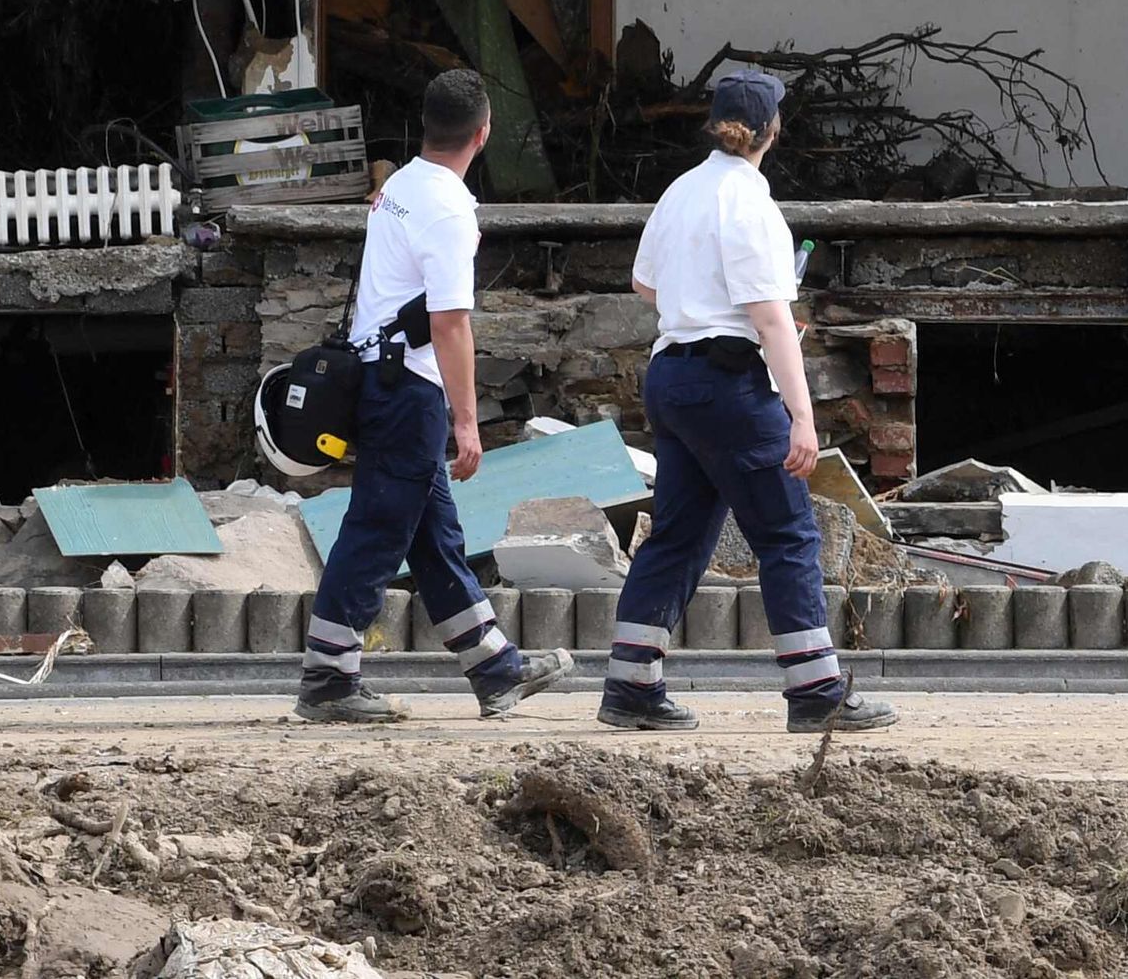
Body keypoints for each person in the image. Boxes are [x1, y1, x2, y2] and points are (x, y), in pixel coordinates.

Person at [600, 63, 898, 737]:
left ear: (717, 123)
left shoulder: (681, 190)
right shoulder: (754, 204)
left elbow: (644, 285)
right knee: (788, 533)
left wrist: (698, 294)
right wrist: (803, 416)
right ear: (773, 129)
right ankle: (816, 686)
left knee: (676, 535)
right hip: (728, 383)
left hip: (671, 376)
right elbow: (770, 321)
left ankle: (631, 683)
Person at [293, 66, 574, 724]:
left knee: (434, 537)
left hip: (379, 377)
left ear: (426, 125)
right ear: (484, 133)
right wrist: (468, 423)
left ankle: (493, 666)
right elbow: (450, 321)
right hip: (406, 389)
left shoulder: (400, 185)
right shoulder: (449, 209)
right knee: (376, 530)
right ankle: (328, 678)